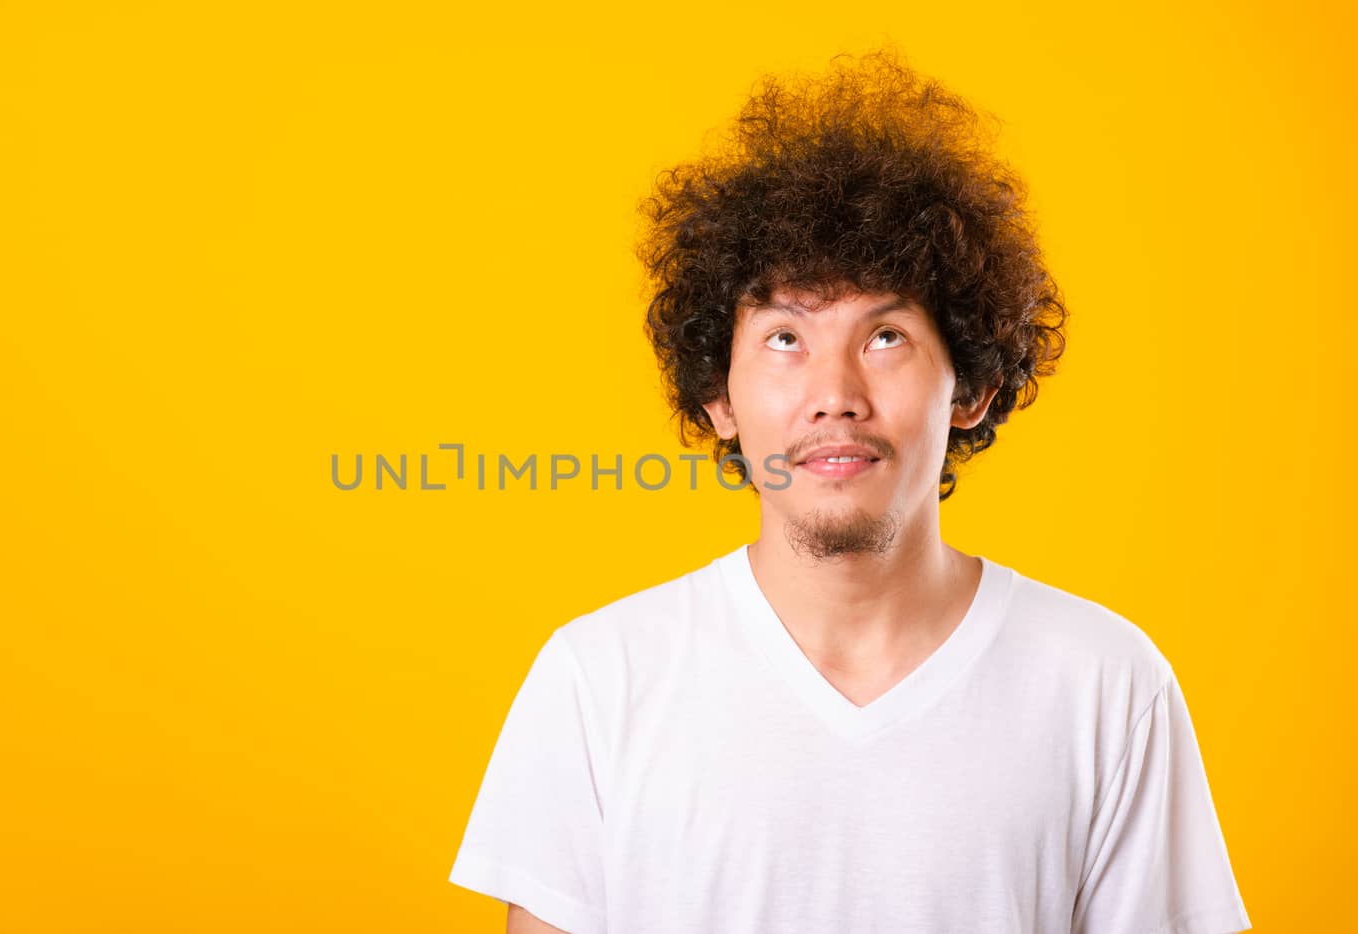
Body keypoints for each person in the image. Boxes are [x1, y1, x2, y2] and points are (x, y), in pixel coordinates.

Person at [447, 47, 1250, 934]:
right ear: (719, 395)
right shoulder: (599, 681)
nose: (836, 392)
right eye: (785, 338)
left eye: (887, 337)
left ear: (972, 386)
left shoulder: (1106, 685)